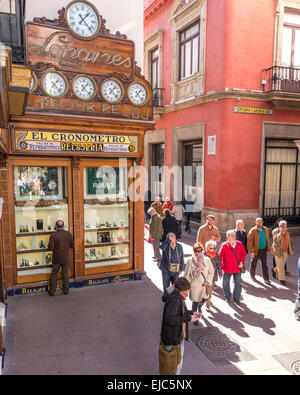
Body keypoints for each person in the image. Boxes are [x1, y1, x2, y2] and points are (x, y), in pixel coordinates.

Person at [159, 277, 201, 375]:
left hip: (175, 337)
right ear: (178, 290)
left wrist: (191, 312)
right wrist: (189, 318)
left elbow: (180, 312)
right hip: (173, 339)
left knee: (173, 366)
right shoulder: (175, 300)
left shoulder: (172, 291)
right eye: (185, 293)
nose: (186, 296)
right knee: (174, 368)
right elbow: (170, 319)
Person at [184, 242, 214, 323]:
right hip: (195, 285)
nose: (197, 252)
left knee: (203, 300)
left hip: (205, 285)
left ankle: (200, 307)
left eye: (199, 251)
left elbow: (211, 271)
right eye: (195, 251)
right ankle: (195, 318)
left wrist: (207, 281)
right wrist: (186, 287)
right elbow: (187, 275)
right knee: (195, 302)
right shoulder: (190, 261)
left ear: (202, 251)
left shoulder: (207, 260)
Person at [219, 230, 247, 305]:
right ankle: (227, 296)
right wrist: (221, 268)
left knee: (238, 283)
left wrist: (241, 262)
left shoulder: (239, 244)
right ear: (228, 237)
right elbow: (220, 257)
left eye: (234, 235)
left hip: (237, 268)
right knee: (225, 283)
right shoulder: (224, 245)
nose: (234, 237)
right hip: (227, 268)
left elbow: (243, 254)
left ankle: (236, 297)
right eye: (232, 236)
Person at [48, 220, 74, 296]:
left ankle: (52, 291)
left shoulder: (53, 235)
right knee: (65, 274)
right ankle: (66, 291)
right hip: (65, 257)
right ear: (63, 226)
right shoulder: (69, 234)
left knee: (54, 274)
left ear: (56, 226)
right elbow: (72, 246)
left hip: (56, 258)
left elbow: (50, 248)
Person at [247, 217, 271, 285]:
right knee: (253, 264)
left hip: (264, 250)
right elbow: (249, 242)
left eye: (260, 222)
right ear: (255, 222)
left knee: (264, 265)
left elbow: (266, 239)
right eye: (257, 222)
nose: (258, 223)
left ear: (262, 222)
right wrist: (251, 251)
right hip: (256, 250)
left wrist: (268, 248)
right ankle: (252, 276)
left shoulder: (265, 229)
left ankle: (266, 279)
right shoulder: (252, 230)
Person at [271, 220, 294, 285]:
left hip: (285, 250)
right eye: (283, 226)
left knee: (281, 264)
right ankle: (282, 280)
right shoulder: (275, 231)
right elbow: (276, 240)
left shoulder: (287, 231)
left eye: (285, 226)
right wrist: (281, 232)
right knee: (281, 266)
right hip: (278, 251)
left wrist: (290, 249)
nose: (285, 228)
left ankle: (274, 270)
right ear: (280, 226)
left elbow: (289, 240)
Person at [203, 240, 222, 311]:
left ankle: (208, 302)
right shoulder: (203, 254)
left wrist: (220, 273)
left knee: (210, 289)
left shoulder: (216, 254)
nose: (212, 250)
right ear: (207, 248)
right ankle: (206, 301)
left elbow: (219, 264)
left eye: (214, 248)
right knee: (206, 289)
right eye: (210, 248)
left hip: (213, 275)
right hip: (205, 275)